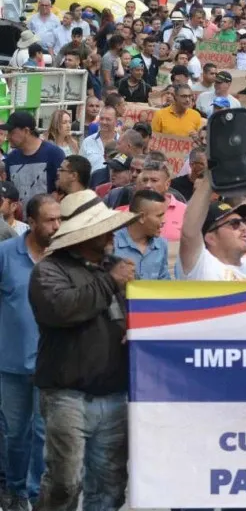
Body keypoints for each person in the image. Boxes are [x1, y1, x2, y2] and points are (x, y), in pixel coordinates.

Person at [28, 190, 139, 511]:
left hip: (115, 393)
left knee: (111, 484)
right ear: (85, 234)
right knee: (65, 483)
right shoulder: (49, 270)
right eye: (104, 229)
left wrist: (139, 329)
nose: (111, 235)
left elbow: (139, 312)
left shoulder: (118, 268)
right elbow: (60, 309)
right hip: (67, 395)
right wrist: (109, 282)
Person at [0, 194, 60, 510]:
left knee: (43, 434)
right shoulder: (5, 254)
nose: (56, 225)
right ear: (31, 222)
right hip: (10, 364)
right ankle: (14, 489)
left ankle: (37, 495)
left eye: (59, 219)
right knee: (13, 433)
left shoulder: (64, 257)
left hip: (51, 365)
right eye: (49, 220)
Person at [3, 112, 66, 202]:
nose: (8, 137)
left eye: (12, 132)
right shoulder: (11, 158)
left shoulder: (54, 154)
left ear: (26, 131)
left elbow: (63, 188)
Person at [112, 190, 170, 280]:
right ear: (141, 217)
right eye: (159, 216)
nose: (163, 221)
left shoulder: (161, 245)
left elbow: (164, 282)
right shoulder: (112, 244)